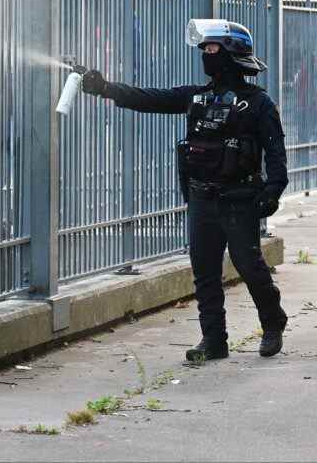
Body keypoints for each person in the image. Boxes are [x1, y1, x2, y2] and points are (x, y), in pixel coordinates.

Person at [80, 19, 288, 360]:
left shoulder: (258, 103)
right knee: (204, 271)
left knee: (249, 266)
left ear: (231, 52)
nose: (205, 55)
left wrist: (273, 189)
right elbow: (150, 98)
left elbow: (275, 152)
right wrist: (106, 88)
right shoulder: (197, 96)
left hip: (238, 199)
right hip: (202, 197)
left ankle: (272, 323)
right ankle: (214, 340)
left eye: (211, 49)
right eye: (203, 49)